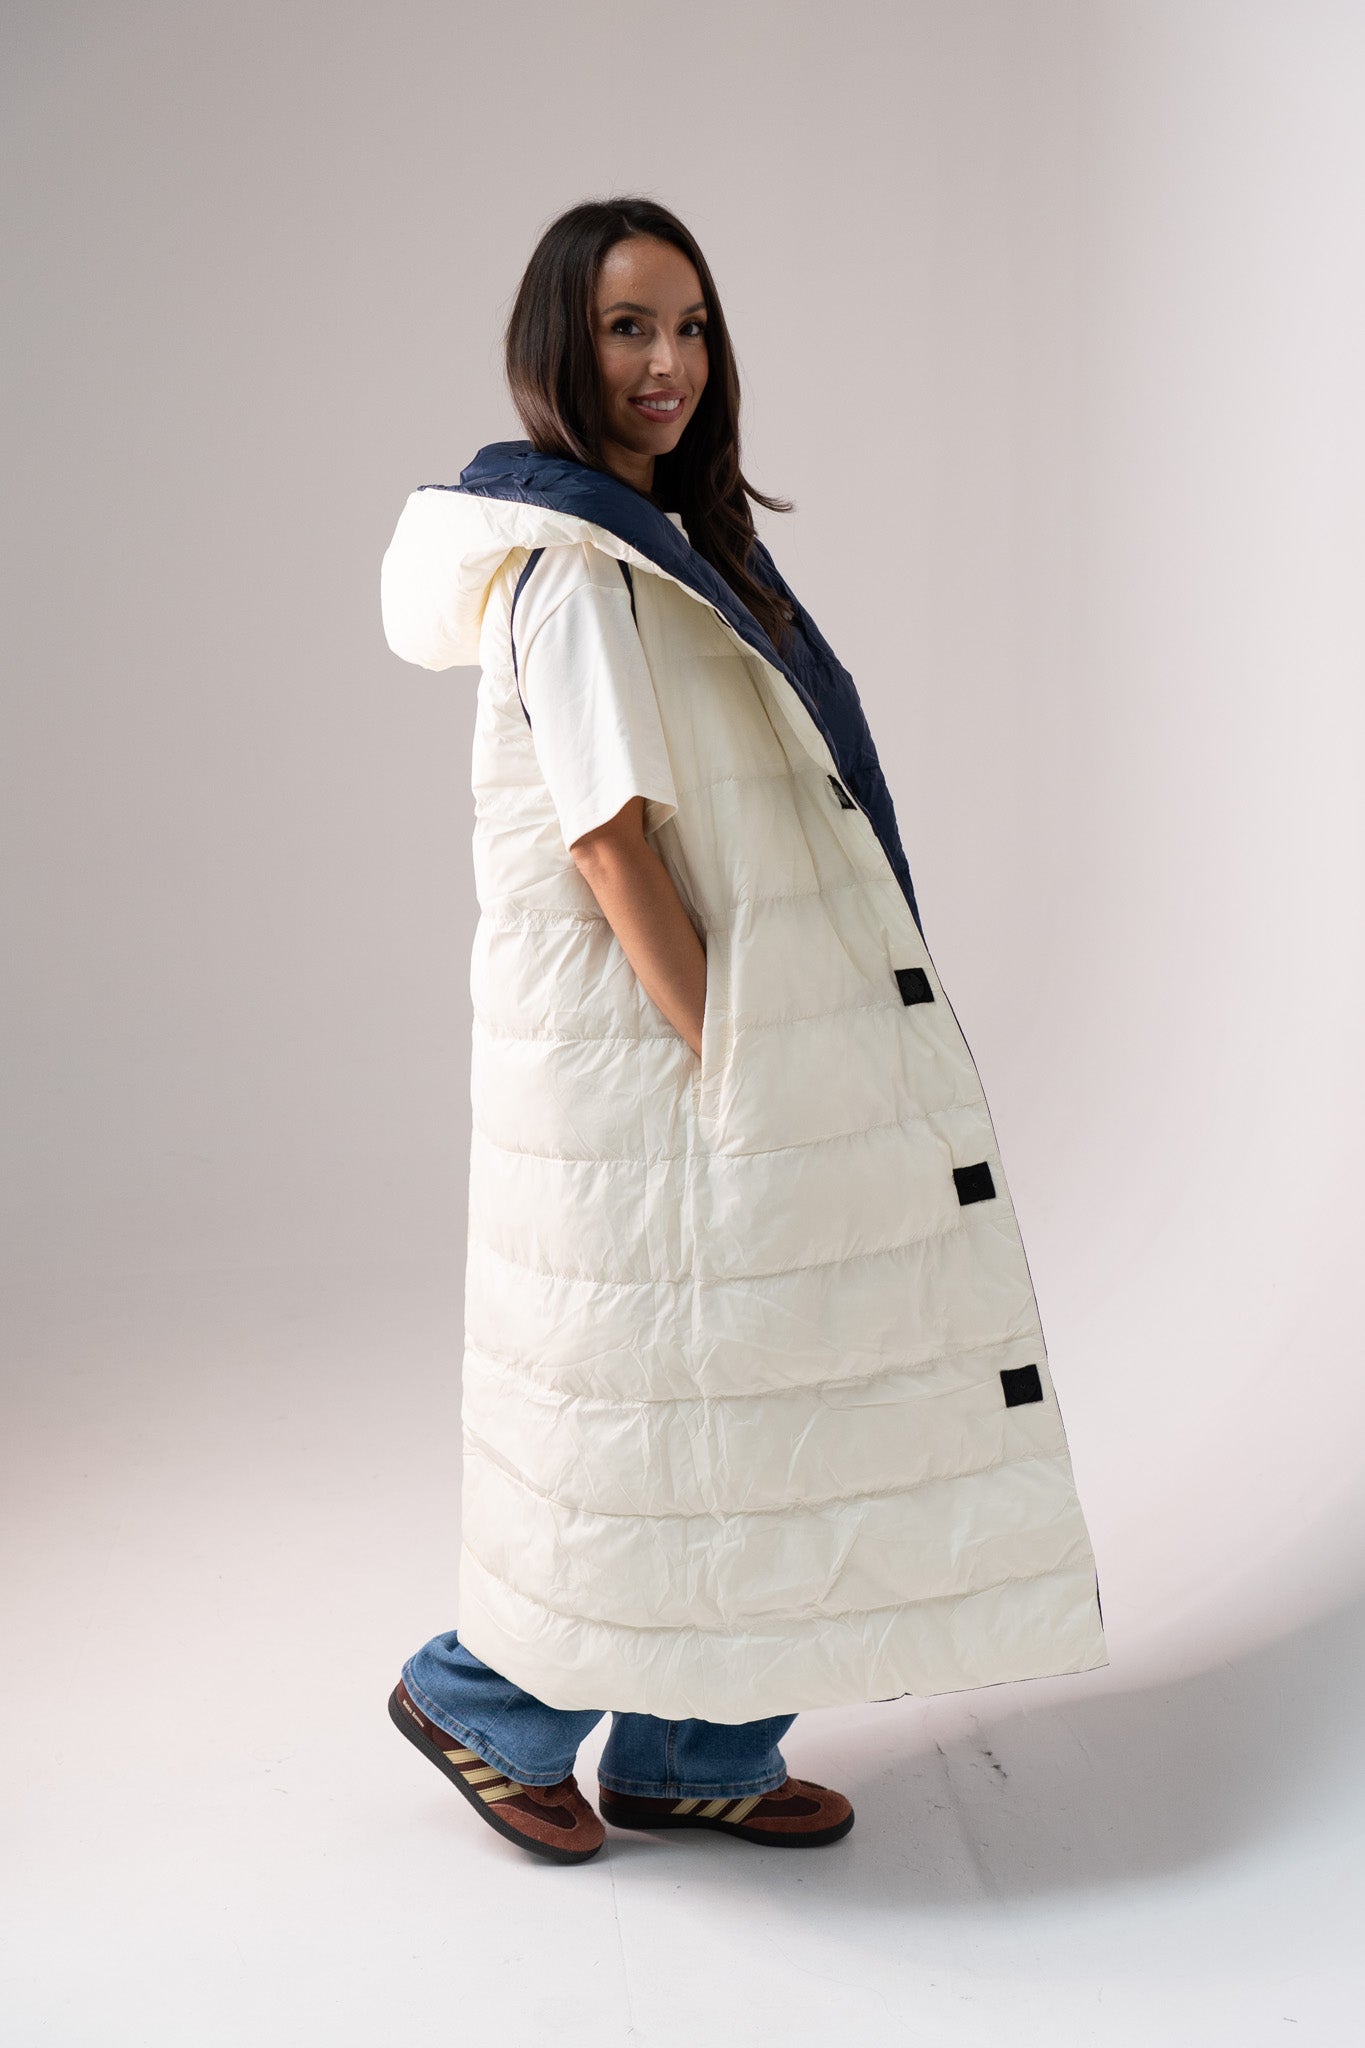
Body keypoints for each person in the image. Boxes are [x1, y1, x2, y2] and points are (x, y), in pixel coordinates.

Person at [379, 196, 1107, 1866]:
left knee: (764, 1391)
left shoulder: (672, 546)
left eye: (690, 326)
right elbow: (606, 841)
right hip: (659, 1064)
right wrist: (729, 1046)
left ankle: (697, 1749)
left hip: (716, 1044)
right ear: (558, 347)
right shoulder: (578, 573)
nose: (668, 364)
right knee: (653, 1414)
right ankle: (482, 1701)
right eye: (628, 328)